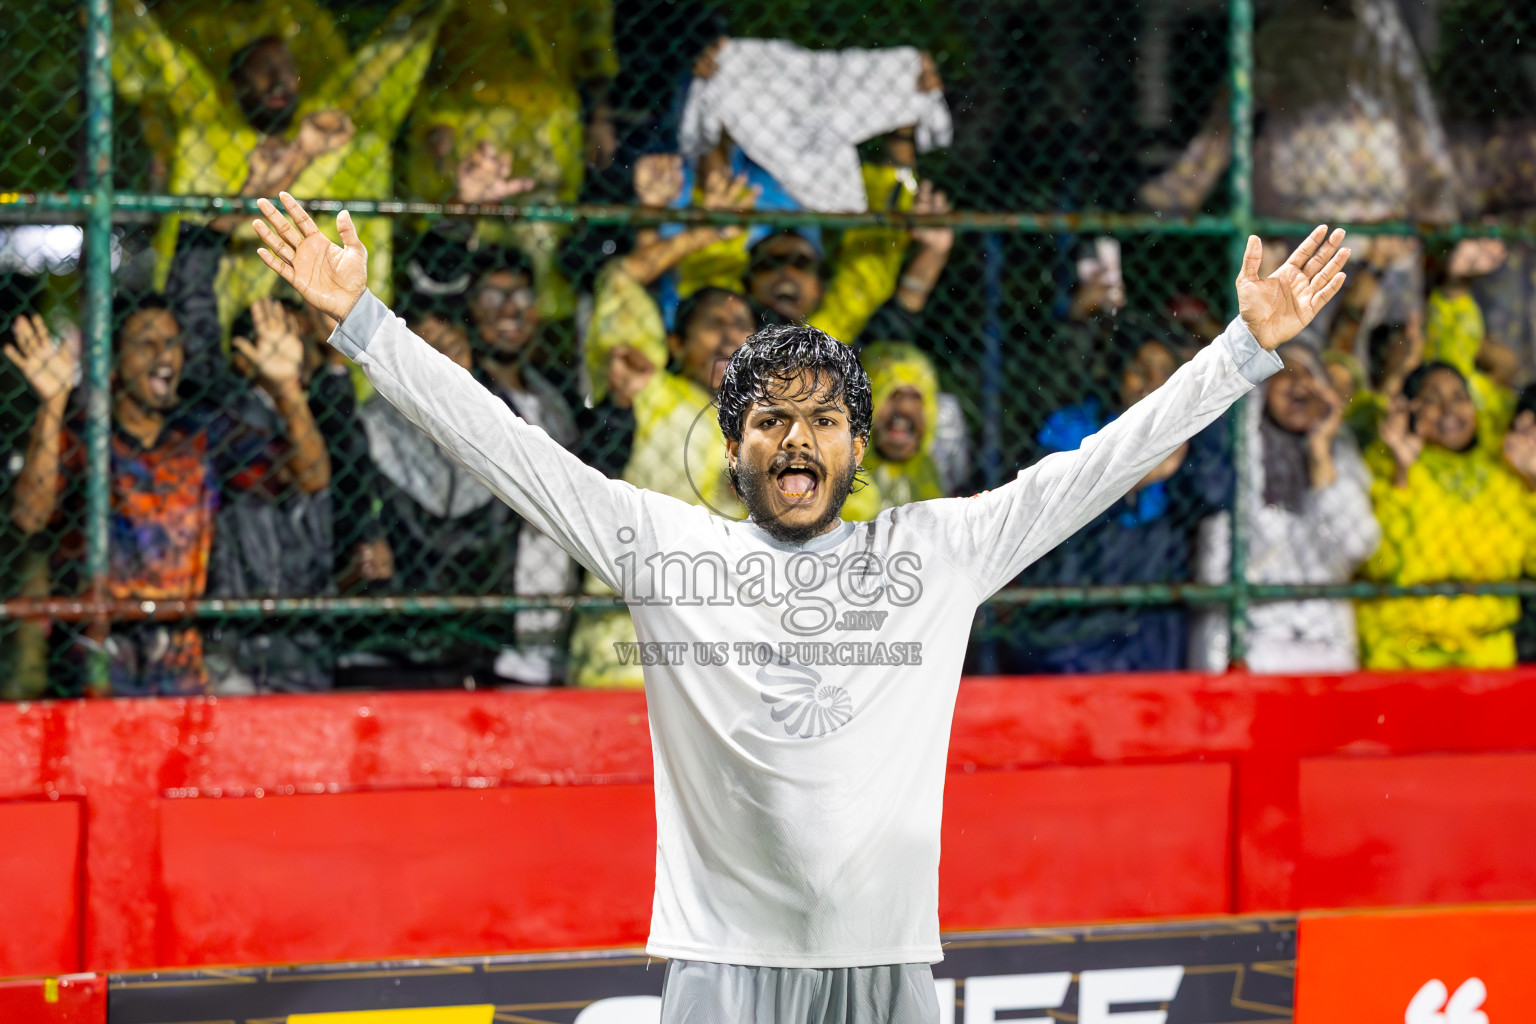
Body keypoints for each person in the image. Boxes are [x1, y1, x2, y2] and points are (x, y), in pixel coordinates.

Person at [252, 191, 1347, 1022]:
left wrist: (1245, 348)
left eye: (823, 419)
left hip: (889, 965)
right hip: (723, 966)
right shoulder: (660, 545)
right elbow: (503, 446)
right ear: (733, 450)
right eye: (769, 419)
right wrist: (364, 325)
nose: (795, 437)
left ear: (856, 449)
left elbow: (1104, 464)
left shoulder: (941, 550)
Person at [4, 269, 316, 695]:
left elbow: (312, 477)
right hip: (90, 670)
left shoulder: (201, 434)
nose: (164, 355)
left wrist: (287, 390)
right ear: (114, 360)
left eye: (171, 342)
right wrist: (53, 404)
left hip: (181, 670)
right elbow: (29, 515)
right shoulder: (84, 436)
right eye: (146, 344)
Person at [111, 0, 446, 330]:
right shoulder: (206, 131)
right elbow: (152, 54)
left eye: (287, 69)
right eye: (261, 69)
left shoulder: (337, 129)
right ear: (235, 84)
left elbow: (389, 58)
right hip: (212, 324)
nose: (277, 80)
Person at [999, 337, 1231, 674]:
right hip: (1072, 616)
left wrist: (1201, 403)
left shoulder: (1184, 436)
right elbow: (1046, 515)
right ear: (1117, 376)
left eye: (1167, 373)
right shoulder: (1074, 427)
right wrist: (1132, 479)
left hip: (1147, 625)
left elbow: (1214, 495)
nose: (1153, 383)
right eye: (1139, 371)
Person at [1189, 343, 1380, 672]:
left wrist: (1321, 453)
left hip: (1324, 643)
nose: (1298, 385)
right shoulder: (1230, 452)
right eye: (1283, 373)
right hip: (1245, 640)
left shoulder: (1337, 452)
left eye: (1309, 376)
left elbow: (1355, 546)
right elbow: (1216, 568)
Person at [1359, 362, 1536, 669]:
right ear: (1410, 408)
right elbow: (1381, 567)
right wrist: (1402, 473)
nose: (1448, 409)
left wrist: (1533, 483)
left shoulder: (1503, 470)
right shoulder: (1382, 462)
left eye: (1459, 397)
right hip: (1399, 654)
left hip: (1487, 653)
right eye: (1432, 399)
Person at [464, 247, 581, 684]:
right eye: (494, 297)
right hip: (492, 626)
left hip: (553, 612)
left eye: (522, 297)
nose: (511, 309)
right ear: (471, 309)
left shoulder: (553, 399)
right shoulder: (466, 396)